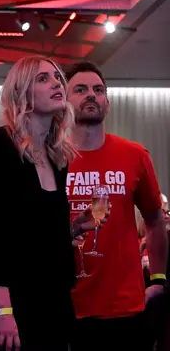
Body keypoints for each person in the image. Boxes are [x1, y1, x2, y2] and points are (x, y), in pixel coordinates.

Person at [0, 56, 98, 351]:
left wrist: (72, 229)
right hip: (17, 304)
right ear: (22, 93)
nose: (56, 82)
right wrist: (2, 311)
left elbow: (33, 236)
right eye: (43, 79)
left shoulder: (57, 156)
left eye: (57, 77)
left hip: (56, 300)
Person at [64, 62, 168, 351]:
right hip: (65, 304)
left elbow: (155, 219)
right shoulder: (50, 158)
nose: (91, 95)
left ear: (107, 103)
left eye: (98, 90)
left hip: (124, 306)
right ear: (64, 101)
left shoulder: (134, 155)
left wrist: (158, 278)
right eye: (81, 89)